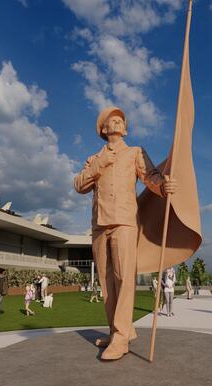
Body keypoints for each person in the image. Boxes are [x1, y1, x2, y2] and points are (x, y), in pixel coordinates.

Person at [74, 106, 177, 360]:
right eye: (112, 121)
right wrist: (100, 164)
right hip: (99, 225)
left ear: (125, 128)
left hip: (124, 223)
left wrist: (165, 186)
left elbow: (151, 178)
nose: (117, 122)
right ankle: (118, 332)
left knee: (123, 278)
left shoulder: (135, 153)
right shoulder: (93, 159)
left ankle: (121, 339)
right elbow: (79, 185)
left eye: (121, 120)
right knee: (107, 284)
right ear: (104, 129)